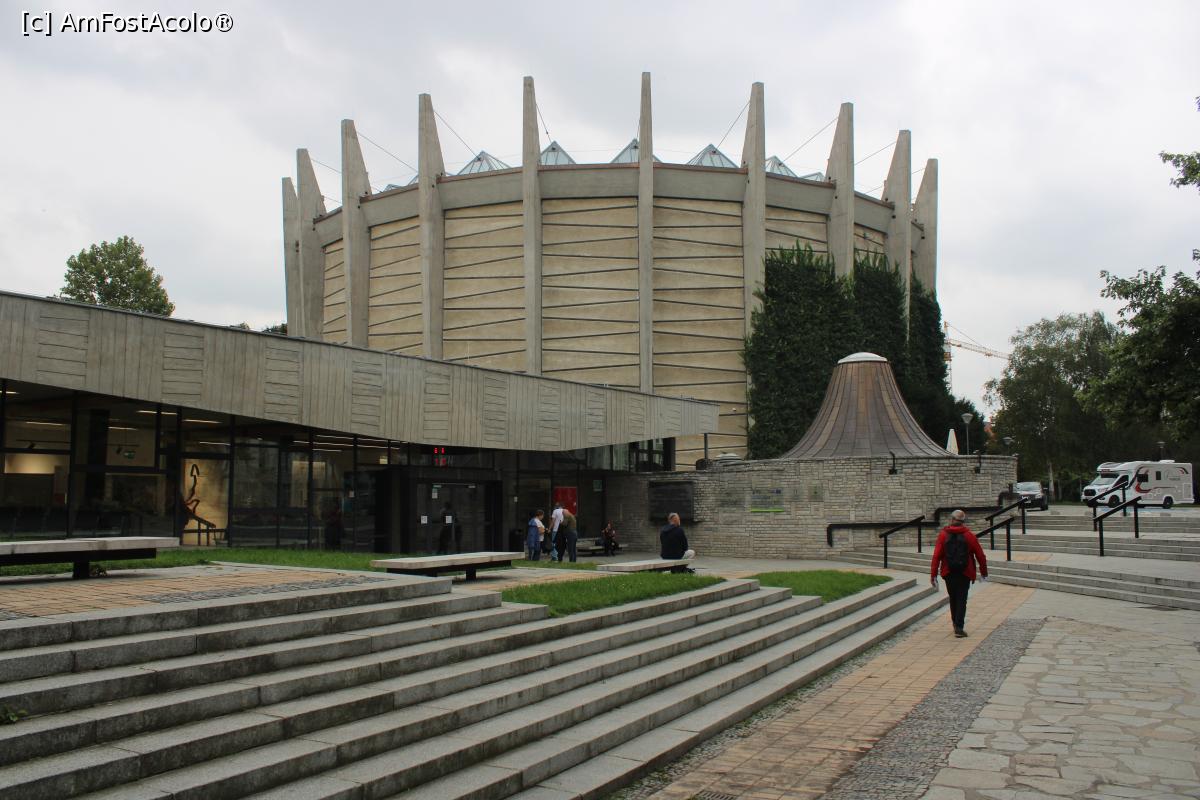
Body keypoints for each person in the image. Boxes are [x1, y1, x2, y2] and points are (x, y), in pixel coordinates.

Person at [929, 509, 988, 638]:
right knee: (962, 599)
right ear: (963, 521)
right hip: (965, 572)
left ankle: (955, 623)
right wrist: (984, 573)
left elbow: (936, 556)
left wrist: (933, 575)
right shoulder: (969, 536)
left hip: (948, 572)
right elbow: (980, 556)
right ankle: (959, 627)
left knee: (953, 598)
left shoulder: (943, 535)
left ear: (951, 519)